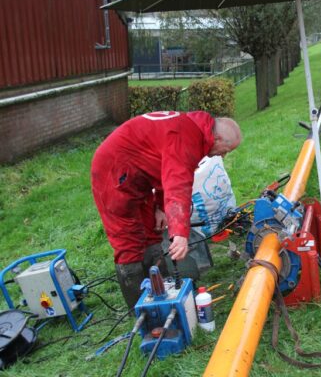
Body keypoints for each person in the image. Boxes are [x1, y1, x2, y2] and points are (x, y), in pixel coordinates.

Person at [90, 110, 241, 308]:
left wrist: (160, 208)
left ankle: (163, 292)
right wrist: (179, 233)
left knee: (152, 231)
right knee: (128, 241)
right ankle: (140, 308)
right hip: (113, 172)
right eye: (226, 149)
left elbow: (165, 170)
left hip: (139, 175)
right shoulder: (186, 139)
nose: (224, 154)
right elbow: (177, 184)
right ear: (217, 137)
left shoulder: (194, 131)